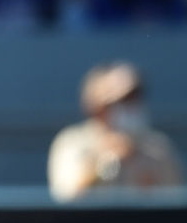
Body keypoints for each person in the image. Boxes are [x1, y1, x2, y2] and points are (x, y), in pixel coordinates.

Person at [48, 60, 183, 201]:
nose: (130, 105)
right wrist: (103, 162)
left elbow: (174, 197)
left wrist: (142, 165)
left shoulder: (158, 146)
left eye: (134, 97)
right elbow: (66, 196)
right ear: (97, 106)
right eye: (121, 100)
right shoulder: (72, 142)